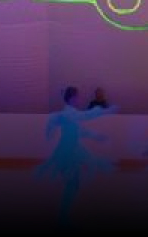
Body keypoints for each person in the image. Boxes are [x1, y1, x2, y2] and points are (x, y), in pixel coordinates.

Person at [36, 86, 118, 226]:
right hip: (67, 152)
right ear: (72, 98)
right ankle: (62, 218)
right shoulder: (70, 113)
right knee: (72, 184)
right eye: (77, 96)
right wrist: (106, 110)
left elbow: (80, 131)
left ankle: (63, 216)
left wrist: (97, 136)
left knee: (73, 184)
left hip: (72, 150)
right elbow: (86, 116)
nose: (79, 99)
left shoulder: (70, 113)